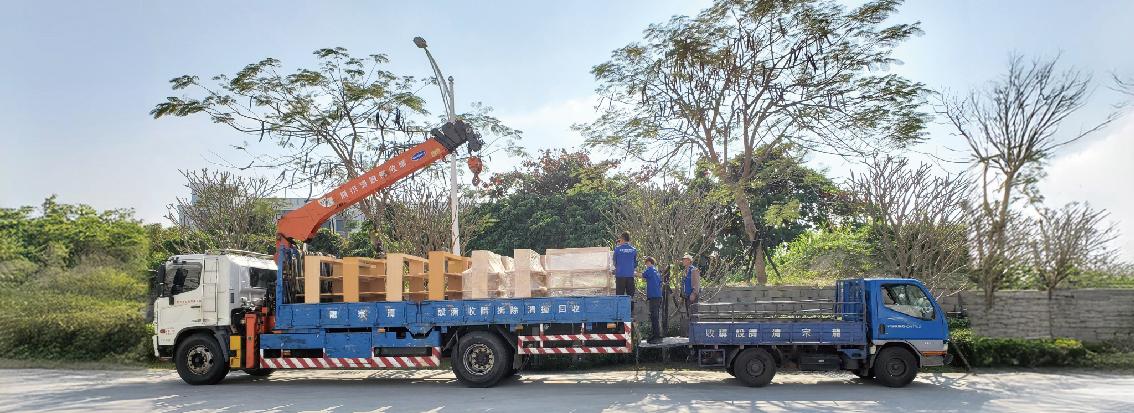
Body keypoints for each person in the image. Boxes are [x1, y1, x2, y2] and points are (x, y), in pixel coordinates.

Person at [641, 257, 664, 344]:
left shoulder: (650, 270)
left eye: (646, 263)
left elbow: (641, 275)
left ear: (649, 263)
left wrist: (630, 272)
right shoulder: (656, 272)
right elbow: (660, 283)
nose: (646, 265)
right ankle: (656, 335)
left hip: (654, 297)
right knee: (655, 317)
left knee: (654, 317)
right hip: (657, 296)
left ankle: (657, 336)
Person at [612, 232, 638, 297]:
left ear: (622, 239)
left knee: (619, 296)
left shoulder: (617, 249)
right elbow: (635, 263)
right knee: (630, 296)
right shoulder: (633, 250)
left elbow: (614, 262)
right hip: (630, 276)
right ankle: (630, 304)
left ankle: (620, 304)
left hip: (620, 276)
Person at [680, 254, 700, 321]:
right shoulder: (684, 271)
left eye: (684, 259)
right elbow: (683, 284)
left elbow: (696, 283)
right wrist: (682, 296)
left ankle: (696, 327)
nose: (683, 261)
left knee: (694, 314)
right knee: (689, 314)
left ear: (689, 261)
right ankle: (691, 327)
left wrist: (694, 293)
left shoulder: (694, 270)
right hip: (686, 295)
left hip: (692, 295)